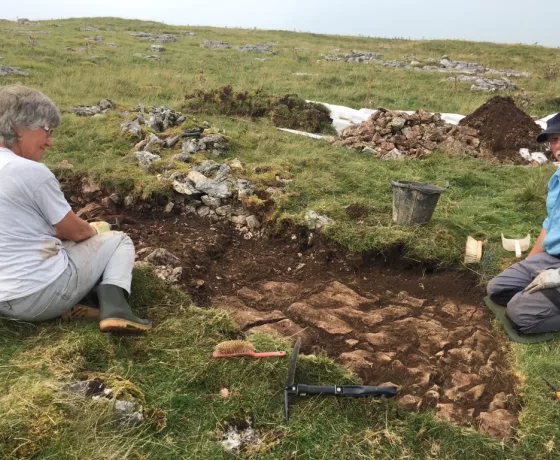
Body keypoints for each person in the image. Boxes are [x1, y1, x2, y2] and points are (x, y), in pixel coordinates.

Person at [0, 85, 151, 333]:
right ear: (18, 127)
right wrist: (95, 231)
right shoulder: (30, 172)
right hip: (36, 297)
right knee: (118, 241)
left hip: (3, 301)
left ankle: (81, 303)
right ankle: (115, 309)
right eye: (46, 130)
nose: (50, 142)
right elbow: (77, 233)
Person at [487, 112, 560, 334]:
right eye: (554, 140)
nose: (557, 146)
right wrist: (530, 265)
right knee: (498, 290)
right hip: (552, 258)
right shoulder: (557, 179)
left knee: (520, 316)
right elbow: (550, 225)